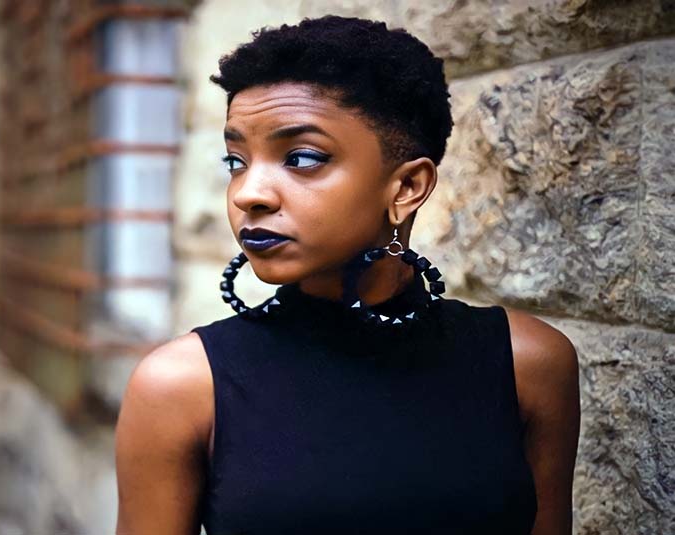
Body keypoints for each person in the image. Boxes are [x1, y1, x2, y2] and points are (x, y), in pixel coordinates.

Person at [115, 14, 580, 535]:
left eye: (302, 157)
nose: (249, 193)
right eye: (236, 161)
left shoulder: (529, 367)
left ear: (406, 187)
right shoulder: (181, 387)